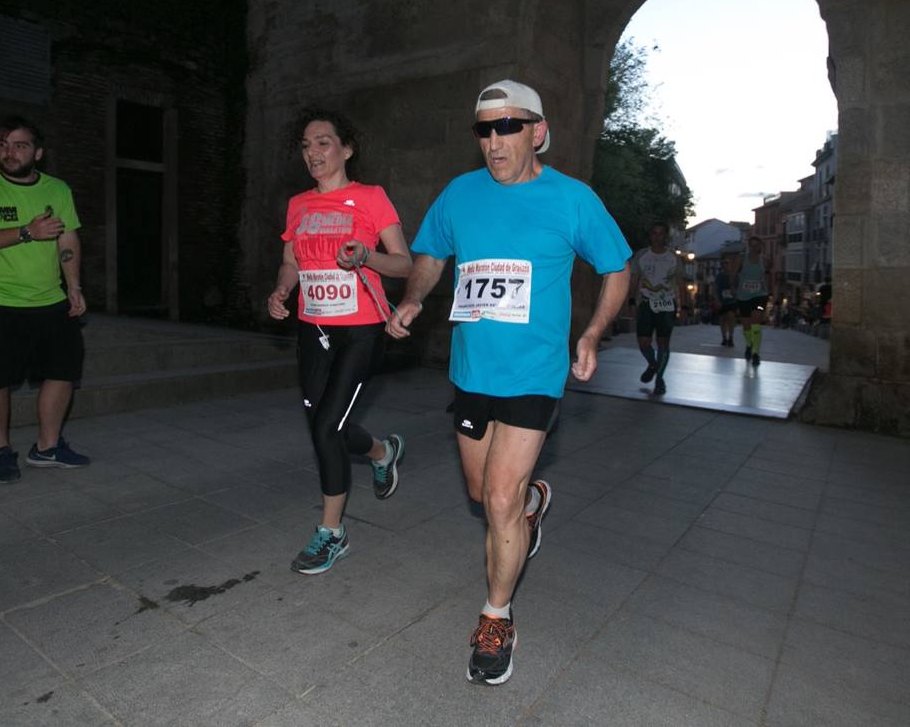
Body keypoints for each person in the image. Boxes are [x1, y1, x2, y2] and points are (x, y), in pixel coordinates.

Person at [386, 79, 631, 686]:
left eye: (507, 127)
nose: (494, 141)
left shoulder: (572, 200)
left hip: (534, 374)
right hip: (471, 373)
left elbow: (617, 269)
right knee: (482, 493)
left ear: (537, 132)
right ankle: (532, 505)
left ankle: (496, 616)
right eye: (484, 130)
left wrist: (593, 333)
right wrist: (414, 299)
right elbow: (430, 254)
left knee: (497, 499)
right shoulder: (459, 194)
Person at [267, 108, 412, 576]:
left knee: (327, 427)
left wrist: (367, 255)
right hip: (314, 328)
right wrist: (283, 289)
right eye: (307, 146)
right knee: (322, 425)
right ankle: (382, 451)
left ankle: (332, 533)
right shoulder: (298, 205)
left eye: (323, 143)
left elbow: (404, 263)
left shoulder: (370, 199)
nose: (313, 153)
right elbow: (291, 260)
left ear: (346, 149)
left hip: (362, 329)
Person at [0, 116, 90, 483]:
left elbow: (68, 240)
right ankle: (1, 452)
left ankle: (47, 446)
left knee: (64, 369)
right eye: (2, 144)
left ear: (38, 153)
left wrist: (73, 286)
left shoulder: (58, 190)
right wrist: (26, 231)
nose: (9, 152)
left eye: (19, 145)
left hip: (50, 300)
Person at [629, 222, 685, 396]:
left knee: (663, 343)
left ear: (665, 236)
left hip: (667, 304)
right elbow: (634, 279)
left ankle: (660, 379)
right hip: (646, 303)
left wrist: (685, 306)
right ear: (650, 235)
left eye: (660, 234)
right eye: (654, 233)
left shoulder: (673, 258)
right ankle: (653, 364)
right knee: (643, 342)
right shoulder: (642, 255)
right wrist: (631, 300)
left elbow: (681, 283)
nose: (657, 237)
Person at [735, 235, 774, 366]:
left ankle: (756, 353)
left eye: (756, 245)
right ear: (748, 246)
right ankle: (749, 344)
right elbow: (733, 273)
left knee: (756, 321)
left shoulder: (765, 261)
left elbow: (768, 275)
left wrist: (769, 291)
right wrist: (732, 287)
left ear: (760, 246)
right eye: (751, 244)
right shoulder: (741, 260)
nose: (754, 247)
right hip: (743, 296)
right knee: (746, 325)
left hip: (760, 295)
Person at [716, 252, 740, 347]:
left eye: (727, 263)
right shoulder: (719, 276)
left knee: (731, 317)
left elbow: (738, 289)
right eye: (724, 263)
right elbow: (715, 289)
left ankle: (731, 337)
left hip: (732, 301)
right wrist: (717, 300)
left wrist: (736, 295)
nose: (725, 265)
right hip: (722, 301)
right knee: (722, 320)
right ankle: (724, 338)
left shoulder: (735, 276)